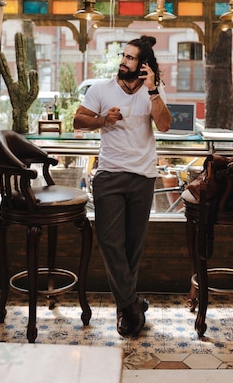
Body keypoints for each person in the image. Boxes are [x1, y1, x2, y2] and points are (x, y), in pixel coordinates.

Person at [73, 35, 171, 337]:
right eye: (123, 56)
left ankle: (124, 313)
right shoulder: (101, 89)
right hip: (109, 176)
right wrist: (103, 119)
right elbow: (78, 120)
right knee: (109, 242)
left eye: (129, 58)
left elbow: (165, 125)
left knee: (132, 247)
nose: (122, 62)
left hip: (143, 176)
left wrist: (154, 89)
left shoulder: (152, 92)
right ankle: (132, 303)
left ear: (143, 65)